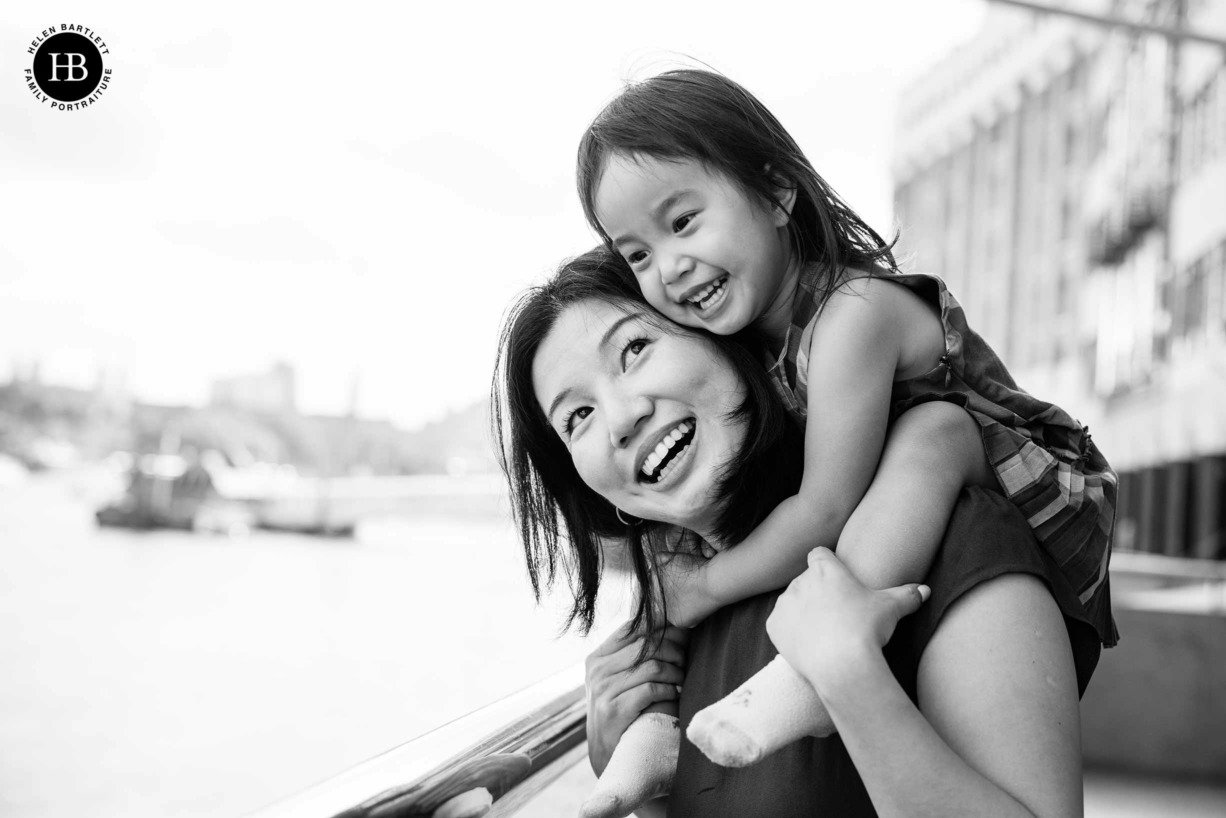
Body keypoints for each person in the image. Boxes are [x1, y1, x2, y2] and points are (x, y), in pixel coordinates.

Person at [572, 68, 1118, 802]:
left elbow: (825, 510)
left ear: (775, 192)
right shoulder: (754, 362)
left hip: (1025, 475)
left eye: (683, 222)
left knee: (934, 430)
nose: (668, 268)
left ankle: (810, 671)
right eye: (635, 253)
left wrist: (706, 587)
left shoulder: (851, 315)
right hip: (921, 495)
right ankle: (651, 742)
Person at [493, 248, 1101, 817]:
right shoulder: (682, 611)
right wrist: (621, 759)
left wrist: (848, 678)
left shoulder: (949, 534)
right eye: (577, 417)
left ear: (729, 338)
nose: (622, 420)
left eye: (635, 350)